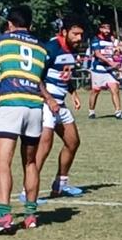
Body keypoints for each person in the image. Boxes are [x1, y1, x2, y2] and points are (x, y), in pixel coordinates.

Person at [0, 5, 61, 234]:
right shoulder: (42, 48)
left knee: (2, 162)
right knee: (30, 162)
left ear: (9, 23)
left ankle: (3, 215)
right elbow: (37, 80)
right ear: (31, 25)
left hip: (11, 105)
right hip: (34, 107)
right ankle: (31, 215)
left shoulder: (1, 41)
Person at [35, 18, 87, 197]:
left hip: (60, 105)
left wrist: (73, 93)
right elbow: (36, 77)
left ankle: (60, 185)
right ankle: (28, 191)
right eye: (75, 34)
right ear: (64, 32)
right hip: (46, 103)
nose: (79, 38)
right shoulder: (50, 48)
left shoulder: (72, 49)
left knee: (73, 142)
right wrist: (49, 99)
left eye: (81, 34)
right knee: (44, 146)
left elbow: (64, 74)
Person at [85, 21, 122, 120]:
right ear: (100, 29)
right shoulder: (96, 39)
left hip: (109, 70)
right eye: (105, 28)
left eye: (108, 28)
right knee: (96, 91)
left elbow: (120, 48)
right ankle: (91, 111)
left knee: (115, 88)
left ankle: (118, 112)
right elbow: (97, 54)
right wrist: (111, 63)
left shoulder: (111, 39)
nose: (107, 31)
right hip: (98, 70)